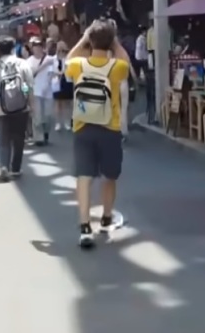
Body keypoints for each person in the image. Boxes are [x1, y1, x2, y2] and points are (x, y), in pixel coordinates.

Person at [64, 19, 131, 248]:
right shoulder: (116, 67)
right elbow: (126, 63)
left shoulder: (79, 65)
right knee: (109, 176)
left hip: (82, 126)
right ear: (111, 41)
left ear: (90, 41)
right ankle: (106, 217)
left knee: (84, 177)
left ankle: (84, 227)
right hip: (109, 127)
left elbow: (67, 61)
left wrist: (84, 39)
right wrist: (114, 41)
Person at [0, 36, 34, 181]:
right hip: (21, 107)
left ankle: (3, 166)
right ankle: (16, 168)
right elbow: (28, 86)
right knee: (19, 139)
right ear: (13, 48)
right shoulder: (23, 63)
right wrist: (29, 101)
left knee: (4, 140)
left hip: (1, 108)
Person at [27, 38, 57, 146]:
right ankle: (38, 138)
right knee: (37, 116)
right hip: (35, 91)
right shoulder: (29, 61)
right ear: (32, 48)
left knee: (48, 115)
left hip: (47, 91)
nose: (38, 49)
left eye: (39, 46)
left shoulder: (50, 59)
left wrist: (48, 84)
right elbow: (31, 74)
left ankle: (46, 133)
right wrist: (43, 65)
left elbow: (52, 73)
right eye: (35, 47)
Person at [53, 41, 73, 131]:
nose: (61, 50)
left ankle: (67, 122)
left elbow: (71, 68)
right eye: (59, 48)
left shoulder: (69, 58)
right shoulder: (54, 59)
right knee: (58, 104)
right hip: (57, 81)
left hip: (67, 80)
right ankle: (58, 122)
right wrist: (58, 72)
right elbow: (52, 69)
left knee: (67, 103)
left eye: (62, 48)